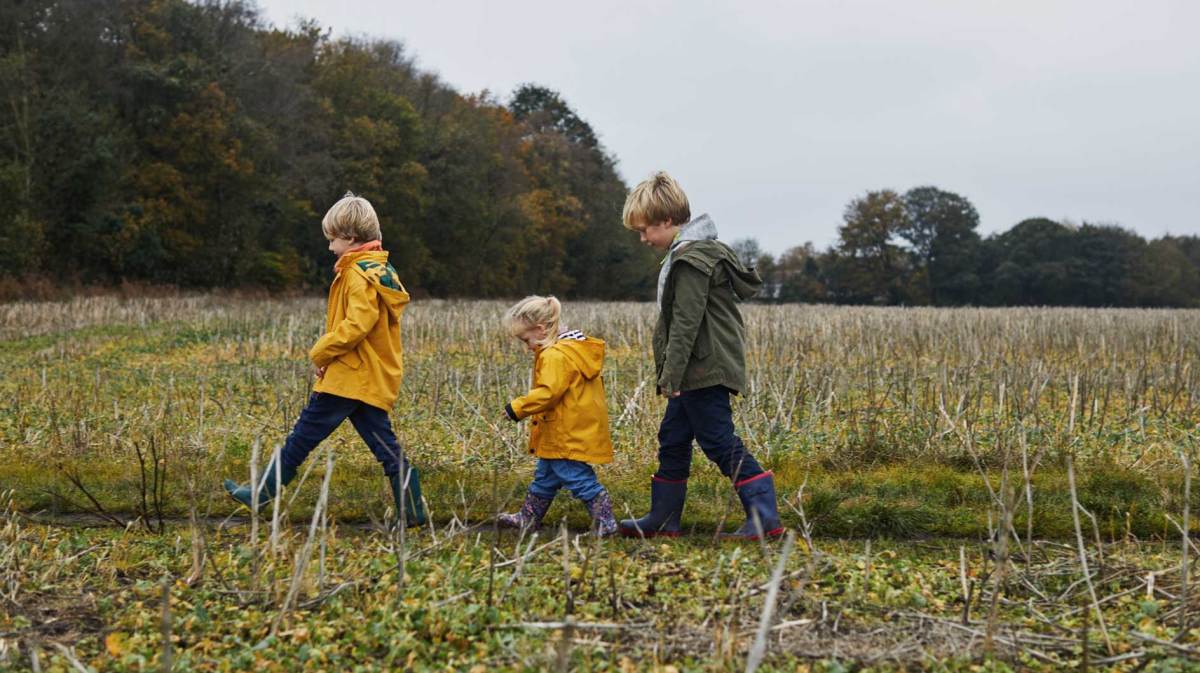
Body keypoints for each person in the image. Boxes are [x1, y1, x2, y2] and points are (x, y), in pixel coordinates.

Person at [223, 192, 426, 527]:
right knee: (384, 445)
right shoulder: (379, 271)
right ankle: (413, 508)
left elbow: (357, 325)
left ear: (349, 238)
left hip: (349, 377)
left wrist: (322, 351)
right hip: (365, 376)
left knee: (301, 437)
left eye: (332, 239)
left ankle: (262, 494)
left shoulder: (357, 275)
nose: (330, 246)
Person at [618, 171, 783, 540]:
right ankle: (663, 518)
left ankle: (764, 517)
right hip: (696, 367)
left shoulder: (692, 260)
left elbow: (686, 323)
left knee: (718, 439)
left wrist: (670, 374)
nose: (643, 239)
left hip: (704, 367)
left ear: (667, 221)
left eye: (645, 230)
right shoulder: (685, 254)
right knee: (674, 436)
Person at [498, 296, 617, 536]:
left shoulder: (555, 355)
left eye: (526, 339)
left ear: (540, 330)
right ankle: (528, 518)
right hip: (566, 427)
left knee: (578, 477)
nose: (527, 346)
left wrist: (517, 407)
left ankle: (606, 523)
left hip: (565, 431)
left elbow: (548, 393)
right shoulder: (570, 350)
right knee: (545, 477)